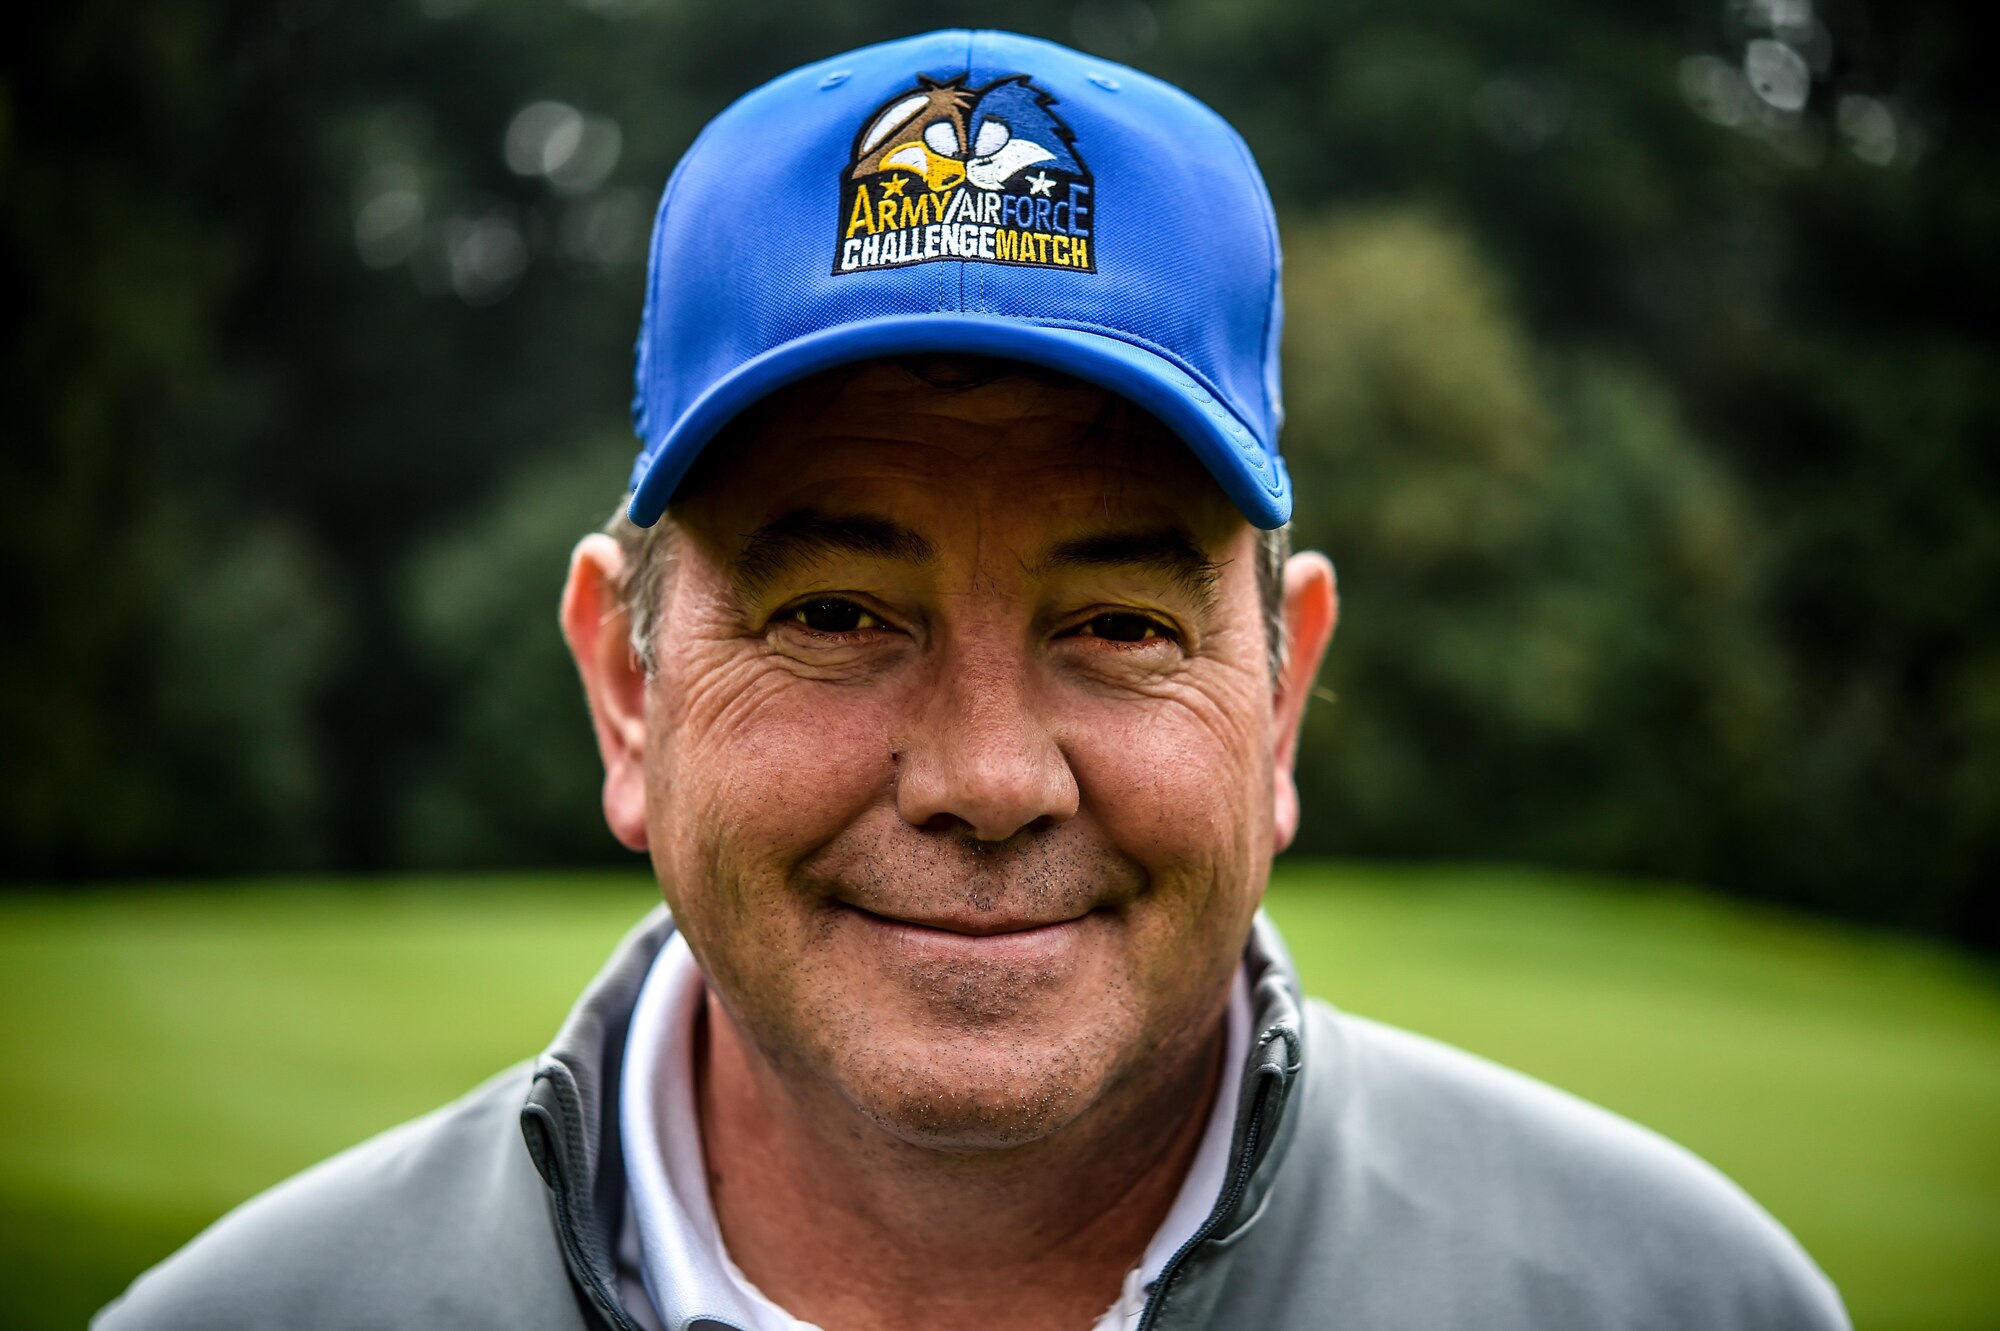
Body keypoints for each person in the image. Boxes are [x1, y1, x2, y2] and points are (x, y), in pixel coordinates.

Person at [98, 28, 1850, 1331]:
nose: (992, 774)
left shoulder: (1679, 1302)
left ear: (1285, 692)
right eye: (840, 613)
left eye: (1121, 626)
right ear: (626, 693)